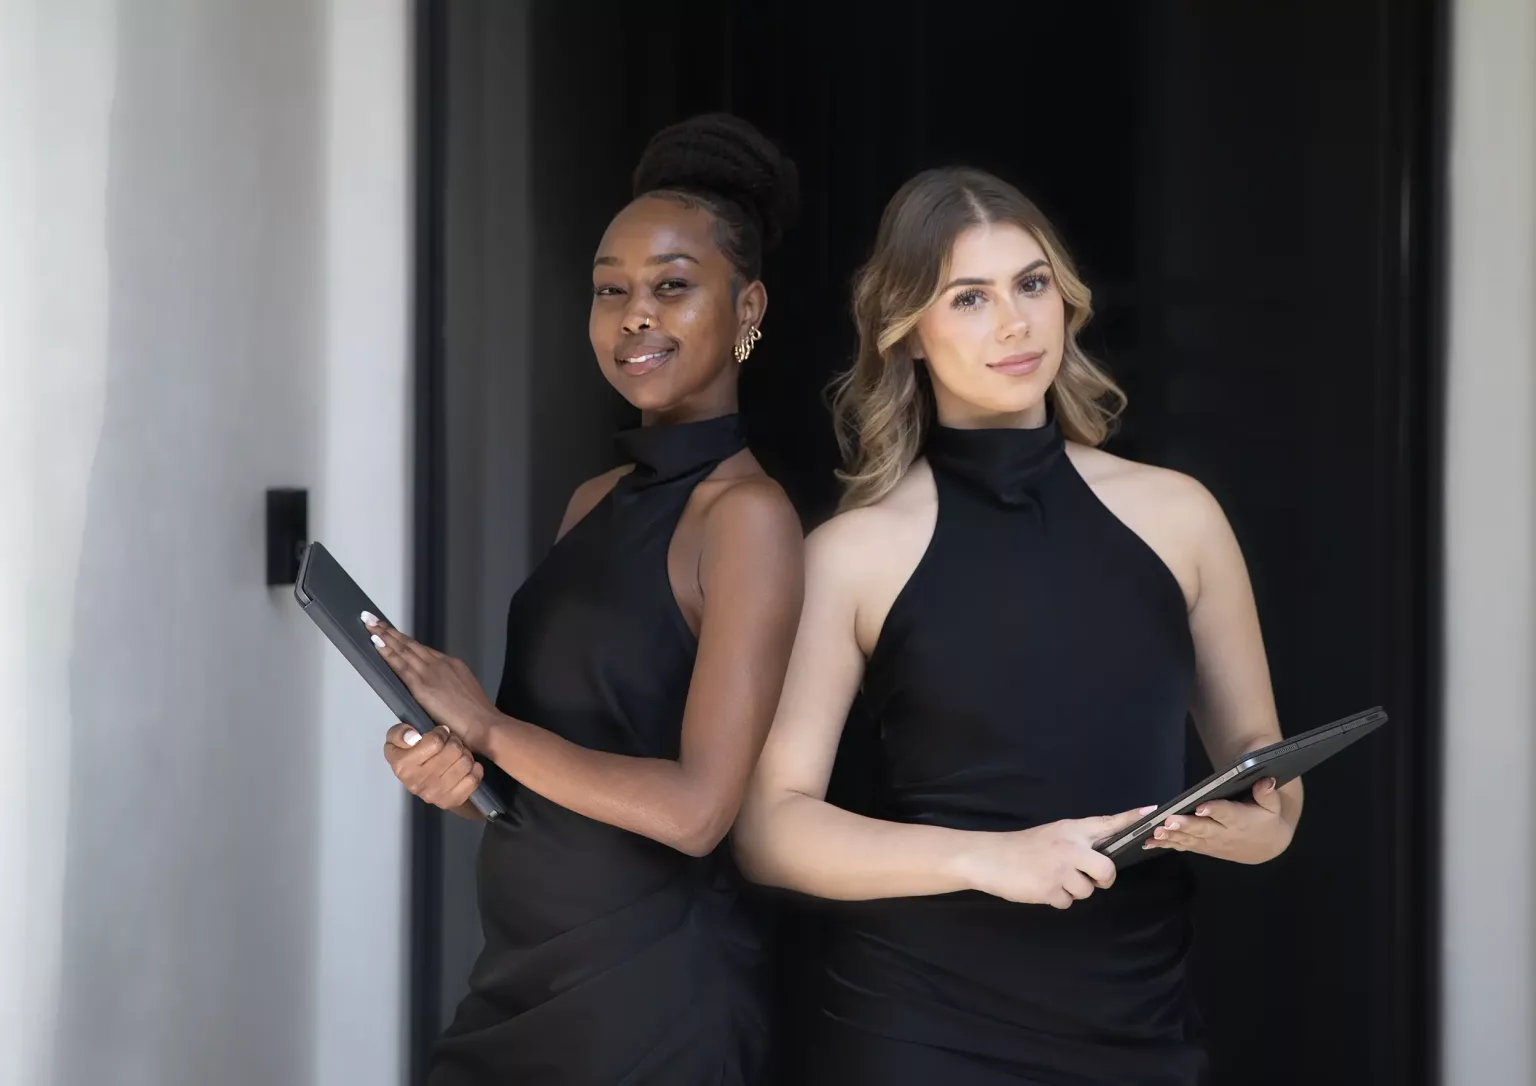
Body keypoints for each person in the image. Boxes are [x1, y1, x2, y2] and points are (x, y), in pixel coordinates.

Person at [732, 166, 1301, 1085]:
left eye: (1031, 284)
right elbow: (768, 826)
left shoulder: (1181, 516)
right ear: (907, 333)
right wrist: (993, 858)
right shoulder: (853, 553)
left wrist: (1259, 828)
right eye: (969, 297)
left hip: (1141, 1024)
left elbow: (1264, 764)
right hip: (923, 1028)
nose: (1014, 322)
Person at [368, 114, 804, 1086]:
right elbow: (561, 777)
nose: (634, 315)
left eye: (672, 287)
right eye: (612, 290)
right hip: (520, 983)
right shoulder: (593, 502)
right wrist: (463, 779)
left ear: (748, 309)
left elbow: (696, 811)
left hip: (648, 1003)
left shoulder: (749, 519)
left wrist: (483, 724)